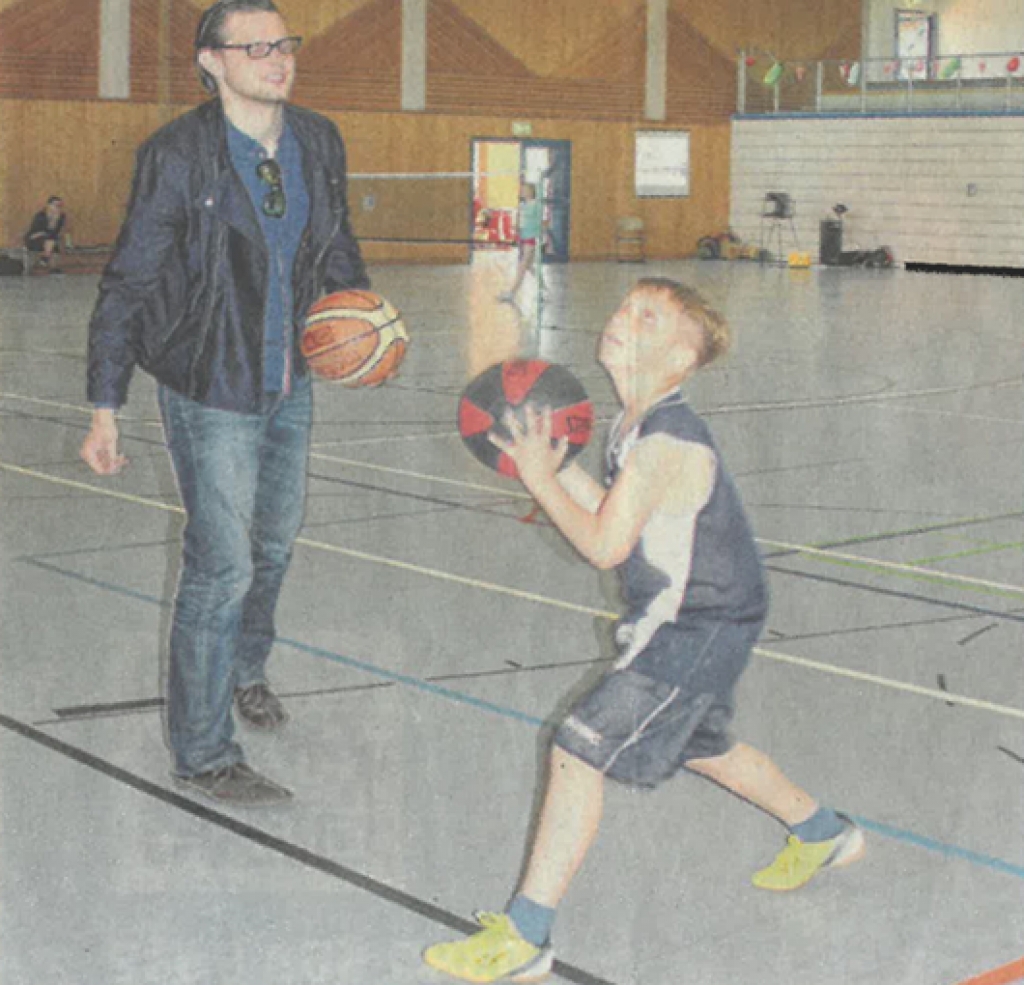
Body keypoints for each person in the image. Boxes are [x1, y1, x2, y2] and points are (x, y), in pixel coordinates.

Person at [424, 278, 864, 982]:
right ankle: (823, 831)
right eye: (626, 304)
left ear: (682, 358)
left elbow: (605, 546)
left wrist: (539, 478)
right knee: (702, 743)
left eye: (649, 316)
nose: (625, 316)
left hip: (699, 622)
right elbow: (619, 518)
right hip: (701, 613)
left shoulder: (666, 439)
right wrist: (558, 466)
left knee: (578, 748)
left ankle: (526, 935)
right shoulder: (635, 424)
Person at [80, 0, 369, 807]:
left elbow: (337, 244)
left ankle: (245, 668)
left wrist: (361, 314)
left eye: (285, 43)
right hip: (209, 385)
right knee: (221, 565)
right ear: (211, 61)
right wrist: (106, 400)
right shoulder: (176, 155)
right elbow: (130, 280)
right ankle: (204, 752)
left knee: (274, 544)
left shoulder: (318, 139)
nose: (278, 59)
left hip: (289, 384)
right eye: (256, 47)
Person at [498, 182, 545, 304]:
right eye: (522, 190)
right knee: (528, 265)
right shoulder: (522, 206)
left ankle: (512, 292)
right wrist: (517, 231)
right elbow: (519, 222)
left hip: (531, 238)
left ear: (531, 191)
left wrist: (542, 237)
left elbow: (541, 222)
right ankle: (544, 289)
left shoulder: (536, 205)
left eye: (525, 190)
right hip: (523, 238)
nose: (522, 191)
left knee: (522, 265)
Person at [24, 196, 69, 272]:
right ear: (49, 205)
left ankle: (49, 263)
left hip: (50, 239)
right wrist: (50, 225)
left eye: (60, 206)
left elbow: (57, 231)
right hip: (35, 239)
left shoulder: (61, 216)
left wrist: (55, 221)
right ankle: (45, 259)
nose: (58, 208)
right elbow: (35, 231)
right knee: (51, 240)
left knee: (52, 242)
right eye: (56, 205)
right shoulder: (40, 215)